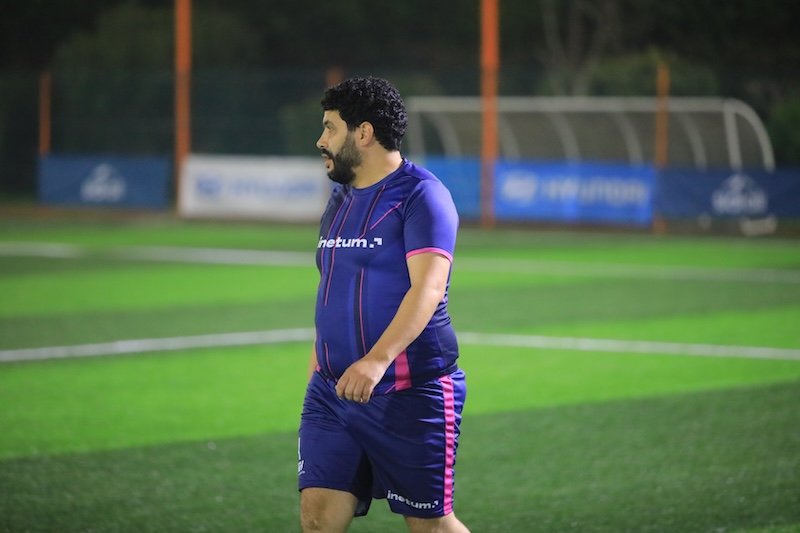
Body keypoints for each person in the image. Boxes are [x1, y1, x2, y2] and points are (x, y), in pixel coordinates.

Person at [298, 76, 470, 533]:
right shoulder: (339, 199)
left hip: (409, 391)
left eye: (330, 127)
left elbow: (428, 289)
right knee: (317, 519)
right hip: (332, 391)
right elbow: (333, 286)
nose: (321, 140)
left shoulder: (422, 195)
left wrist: (376, 360)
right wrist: (320, 361)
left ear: (364, 133)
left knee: (430, 525)